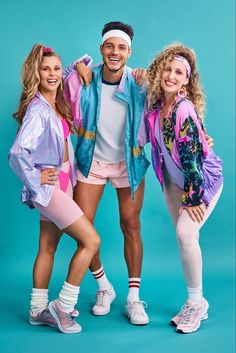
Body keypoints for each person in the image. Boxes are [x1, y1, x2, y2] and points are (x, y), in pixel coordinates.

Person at [9, 44, 100, 334]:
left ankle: (37, 310)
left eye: (56, 69)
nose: (52, 74)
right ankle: (63, 305)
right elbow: (17, 154)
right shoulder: (38, 109)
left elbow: (74, 72)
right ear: (36, 72)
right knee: (91, 241)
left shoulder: (55, 101)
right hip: (50, 190)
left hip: (63, 183)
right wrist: (36, 180)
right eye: (45, 68)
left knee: (47, 246)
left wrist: (79, 66)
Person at [63, 21, 150, 325]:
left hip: (129, 163)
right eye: (110, 46)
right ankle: (104, 287)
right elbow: (54, 82)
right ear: (102, 49)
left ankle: (134, 298)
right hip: (93, 162)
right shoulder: (85, 78)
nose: (115, 52)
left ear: (129, 52)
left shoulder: (140, 83)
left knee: (131, 225)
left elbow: (170, 106)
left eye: (122, 48)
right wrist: (77, 68)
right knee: (82, 229)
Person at [145, 43, 223, 333]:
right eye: (167, 68)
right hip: (172, 181)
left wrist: (193, 197)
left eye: (179, 72)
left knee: (185, 232)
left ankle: (196, 302)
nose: (171, 75)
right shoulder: (156, 108)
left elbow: (191, 159)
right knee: (185, 239)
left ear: (186, 80)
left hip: (200, 180)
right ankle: (196, 301)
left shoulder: (183, 109)